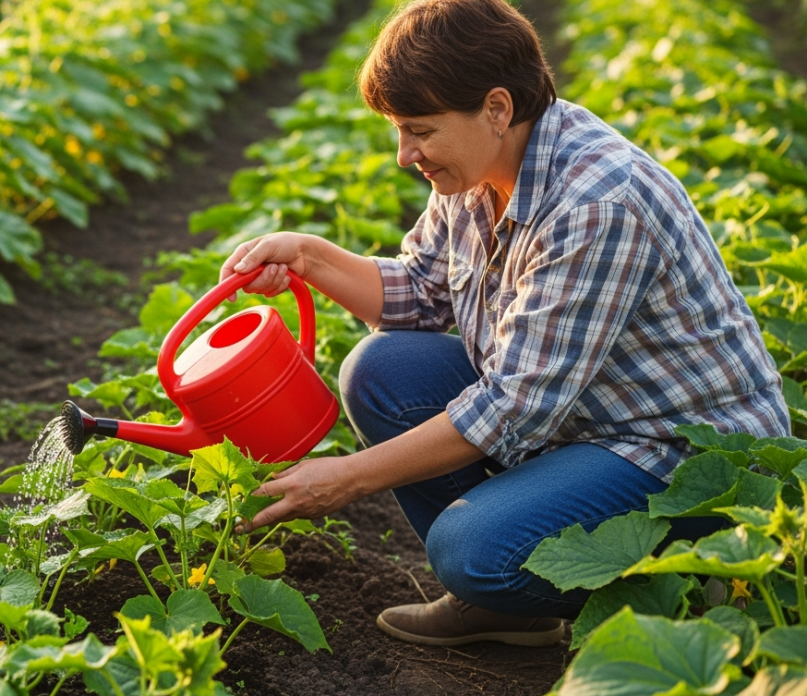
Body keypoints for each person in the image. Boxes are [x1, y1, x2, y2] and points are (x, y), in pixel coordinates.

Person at [224, 0, 790, 647]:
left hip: (675, 457)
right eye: (399, 131)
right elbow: (423, 291)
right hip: (584, 420)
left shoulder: (596, 202)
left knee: (471, 549)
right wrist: (306, 255)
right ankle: (505, 601)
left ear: (496, 108)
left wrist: (347, 478)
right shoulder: (478, 171)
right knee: (382, 370)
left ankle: (682, 588)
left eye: (420, 131)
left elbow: (513, 407)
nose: (406, 154)